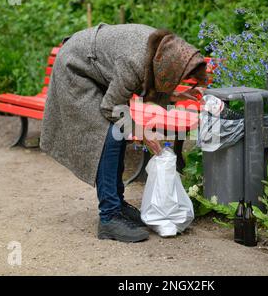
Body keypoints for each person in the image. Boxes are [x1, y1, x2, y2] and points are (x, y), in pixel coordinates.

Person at [40, 23, 207, 242]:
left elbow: (148, 84)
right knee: (108, 136)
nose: (176, 80)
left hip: (94, 71)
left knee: (117, 132)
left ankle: (117, 203)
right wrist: (143, 134)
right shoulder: (134, 60)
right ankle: (109, 217)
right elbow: (111, 108)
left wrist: (175, 95)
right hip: (74, 69)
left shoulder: (160, 50)